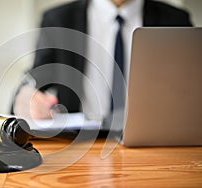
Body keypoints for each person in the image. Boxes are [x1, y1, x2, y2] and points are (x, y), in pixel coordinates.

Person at [13, 0, 192, 120]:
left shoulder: (176, 20)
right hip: (80, 145)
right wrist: (28, 100)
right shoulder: (59, 19)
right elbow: (34, 82)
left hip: (154, 144)